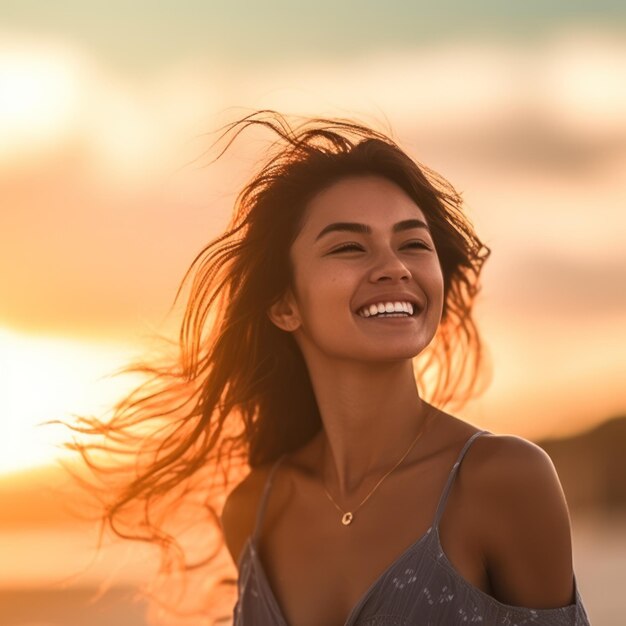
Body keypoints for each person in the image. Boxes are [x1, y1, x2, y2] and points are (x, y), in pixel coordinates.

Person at [66, 110, 591, 626]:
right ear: (285, 306)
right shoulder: (254, 513)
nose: (394, 267)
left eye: (413, 243)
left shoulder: (502, 481)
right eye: (349, 247)